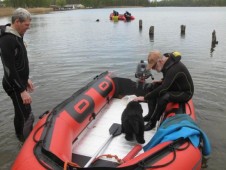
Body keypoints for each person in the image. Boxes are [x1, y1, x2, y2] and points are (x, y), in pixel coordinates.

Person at [134, 50, 194, 131]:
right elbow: (169, 79)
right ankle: (150, 115)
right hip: (175, 87)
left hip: (185, 92)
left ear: (160, 61)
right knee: (151, 86)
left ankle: (152, 123)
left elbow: (164, 88)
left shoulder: (174, 68)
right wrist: (162, 81)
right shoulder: (166, 62)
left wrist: (145, 98)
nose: (153, 69)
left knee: (164, 97)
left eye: (154, 66)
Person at [0, 8, 34, 142]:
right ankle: (25, 143)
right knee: (26, 115)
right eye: (26, 24)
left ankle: (20, 139)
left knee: (21, 113)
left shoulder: (17, 35)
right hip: (13, 84)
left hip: (18, 82)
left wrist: (26, 79)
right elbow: (9, 68)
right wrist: (21, 90)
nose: (28, 27)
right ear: (17, 22)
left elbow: (20, 62)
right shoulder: (7, 40)